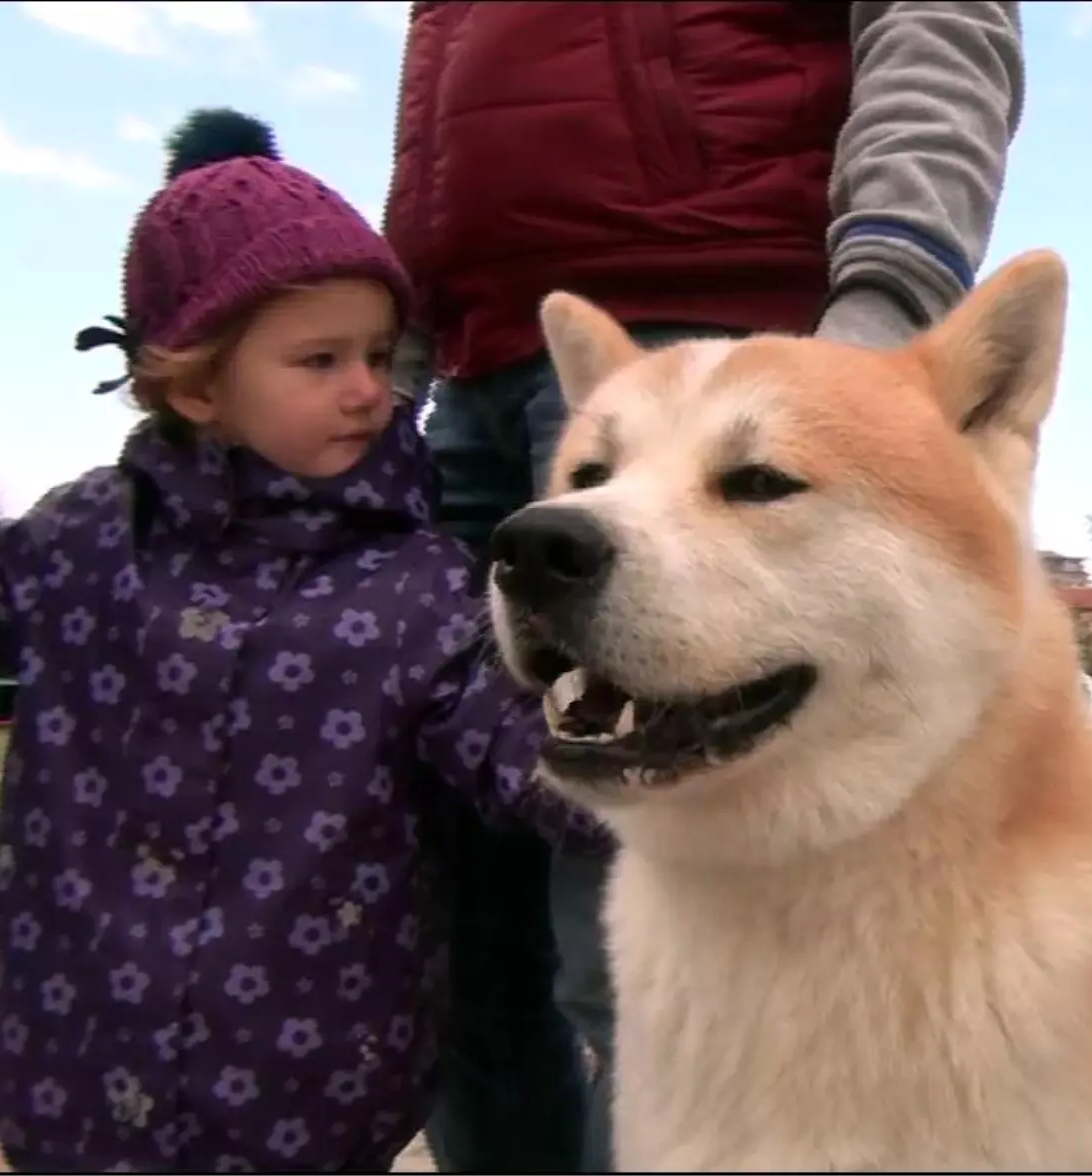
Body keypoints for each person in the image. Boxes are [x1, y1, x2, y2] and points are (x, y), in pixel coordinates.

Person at [383, 2, 1026, 1170]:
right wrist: (393, 374)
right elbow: (440, 134)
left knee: (646, 975)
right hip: (468, 372)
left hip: (724, 321)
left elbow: (940, 19)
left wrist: (880, 324)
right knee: (451, 947)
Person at [0, 107, 605, 1173]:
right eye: (319, 360)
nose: (369, 390)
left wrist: (665, 763)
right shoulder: (82, 540)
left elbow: (525, 760)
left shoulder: (414, 588)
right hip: (68, 1072)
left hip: (311, 1105)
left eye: (378, 354)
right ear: (195, 384)